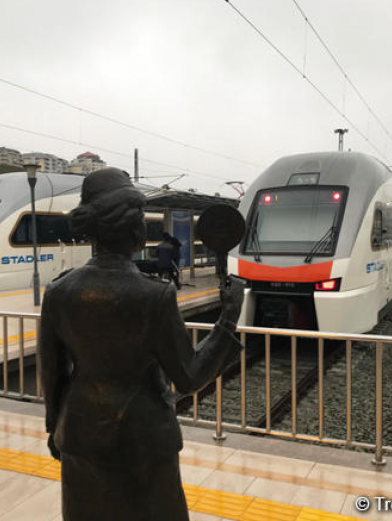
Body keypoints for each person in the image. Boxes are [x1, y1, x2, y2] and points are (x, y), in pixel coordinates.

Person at [37, 168, 244, 521]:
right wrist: (228, 317)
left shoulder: (58, 292)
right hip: (143, 438)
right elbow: (189, 376)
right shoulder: (154, 296)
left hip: (78, 431)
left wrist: (55, 427)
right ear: (133, 228)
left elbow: (51, 373)